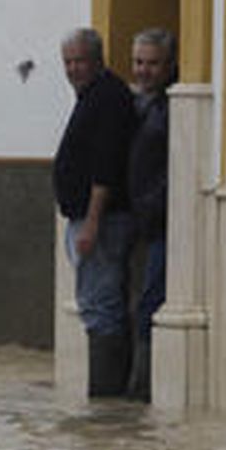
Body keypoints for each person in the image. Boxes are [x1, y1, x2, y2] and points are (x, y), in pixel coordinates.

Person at [52, 27, 138, 397]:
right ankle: (104, 396)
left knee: (100, 307)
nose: (73, 69)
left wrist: (91, 222)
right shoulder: (93, 96)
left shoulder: (107, 97)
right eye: (68, 62)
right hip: (87, 219)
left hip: (101, 222)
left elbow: (106, 167)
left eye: (79, 61)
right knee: (95, 305)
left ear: (98, 60)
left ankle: (106, 400)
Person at [125, 29, 176, 401]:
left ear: (169, 65)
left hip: (163, 222)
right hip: (140, 218)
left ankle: (143, 390)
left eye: (152, 63)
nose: (144, 71)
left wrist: (153, 205)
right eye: (139, 62)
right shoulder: (140, 105)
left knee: (150, 302)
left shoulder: (172, 107)